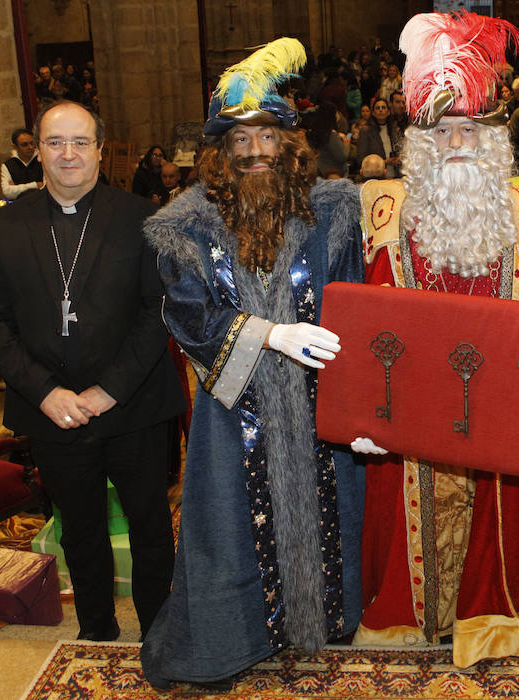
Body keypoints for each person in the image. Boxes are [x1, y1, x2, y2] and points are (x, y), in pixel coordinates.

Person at [352, 11, 519, 667]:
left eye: (471, 129)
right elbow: (367, 324)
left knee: (503, 528)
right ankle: (412, 617)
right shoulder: (386, 216)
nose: (458, 141)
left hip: (500, 423)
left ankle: (491, 614)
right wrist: (365, 410)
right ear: (422, 140)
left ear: (493, 140)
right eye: (444, 129)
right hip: (409, 425)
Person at [140, 39, 365, 687]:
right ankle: (226, 645)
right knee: (229, 530)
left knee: (327, 510)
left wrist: (365, 406)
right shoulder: (187, 228)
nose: (254, 151)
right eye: (238, 141)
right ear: (219, 153)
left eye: (265, 134)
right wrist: (269, 334)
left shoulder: (332, 216)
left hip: (320, 403)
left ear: (289, 140)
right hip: (231, 410)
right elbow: (188, 318)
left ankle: (319, 623)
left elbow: (353, 315)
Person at [0, 99, 182, 644]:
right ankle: (96, 628)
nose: (68, 154)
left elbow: (157, 310)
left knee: (151, 527)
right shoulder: (6, 225)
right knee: (80, 529)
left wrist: (109, 389)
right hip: (52, 411)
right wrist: (45, 392)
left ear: (99, 148)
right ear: (36, 150)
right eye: (55, 143)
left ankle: (159, 631)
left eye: (80, 142)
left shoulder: (141, 218)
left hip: (132, 405)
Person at [0, 128, 44, 200]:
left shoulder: (42, 160)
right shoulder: (7, 165)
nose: (30, 147)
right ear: (15, 147)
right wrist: (36, 185)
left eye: (32, 143)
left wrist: (16, 188)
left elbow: (47, 188)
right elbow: (7, 192)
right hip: (19, 205)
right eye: (24, 144)